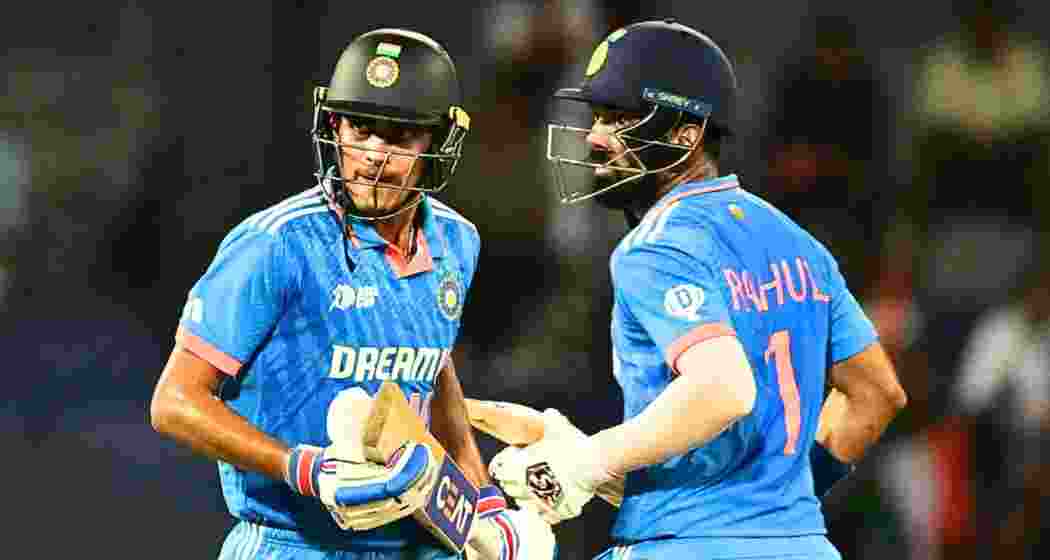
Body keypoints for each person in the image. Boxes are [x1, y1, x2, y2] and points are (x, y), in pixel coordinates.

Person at [489, 19, 908, 559]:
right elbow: (877, 395)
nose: (594, 136)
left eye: (619, 118)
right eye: (596, 116)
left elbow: (723, 388)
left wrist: (583, 463)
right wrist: (777, 500)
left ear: (686, 135)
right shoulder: (797, 242)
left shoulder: (655, 247)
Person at [149, 28, 553, 560]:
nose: (371, 156)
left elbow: (435, 369)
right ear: (332, 124)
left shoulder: (458, 241)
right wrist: (304, 469)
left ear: (437, 142)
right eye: (359, 129)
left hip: (417, 545)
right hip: (295, 543)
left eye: (398, 137)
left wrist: (479, 501)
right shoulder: (277, 243)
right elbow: (174, 403)